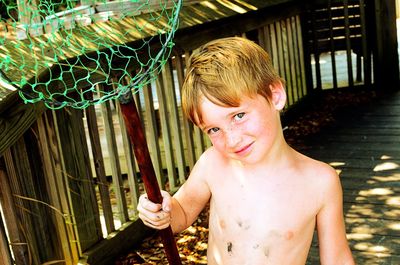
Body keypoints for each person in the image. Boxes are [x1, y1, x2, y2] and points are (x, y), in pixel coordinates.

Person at [137, 36, 354, 265]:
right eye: (213, 129)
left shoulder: (320, 181)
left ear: (275, 96)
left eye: (238, 116)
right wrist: (162, 210)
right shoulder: (213, 163)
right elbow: (181, 213)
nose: (232, 140)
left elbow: (337, 258)